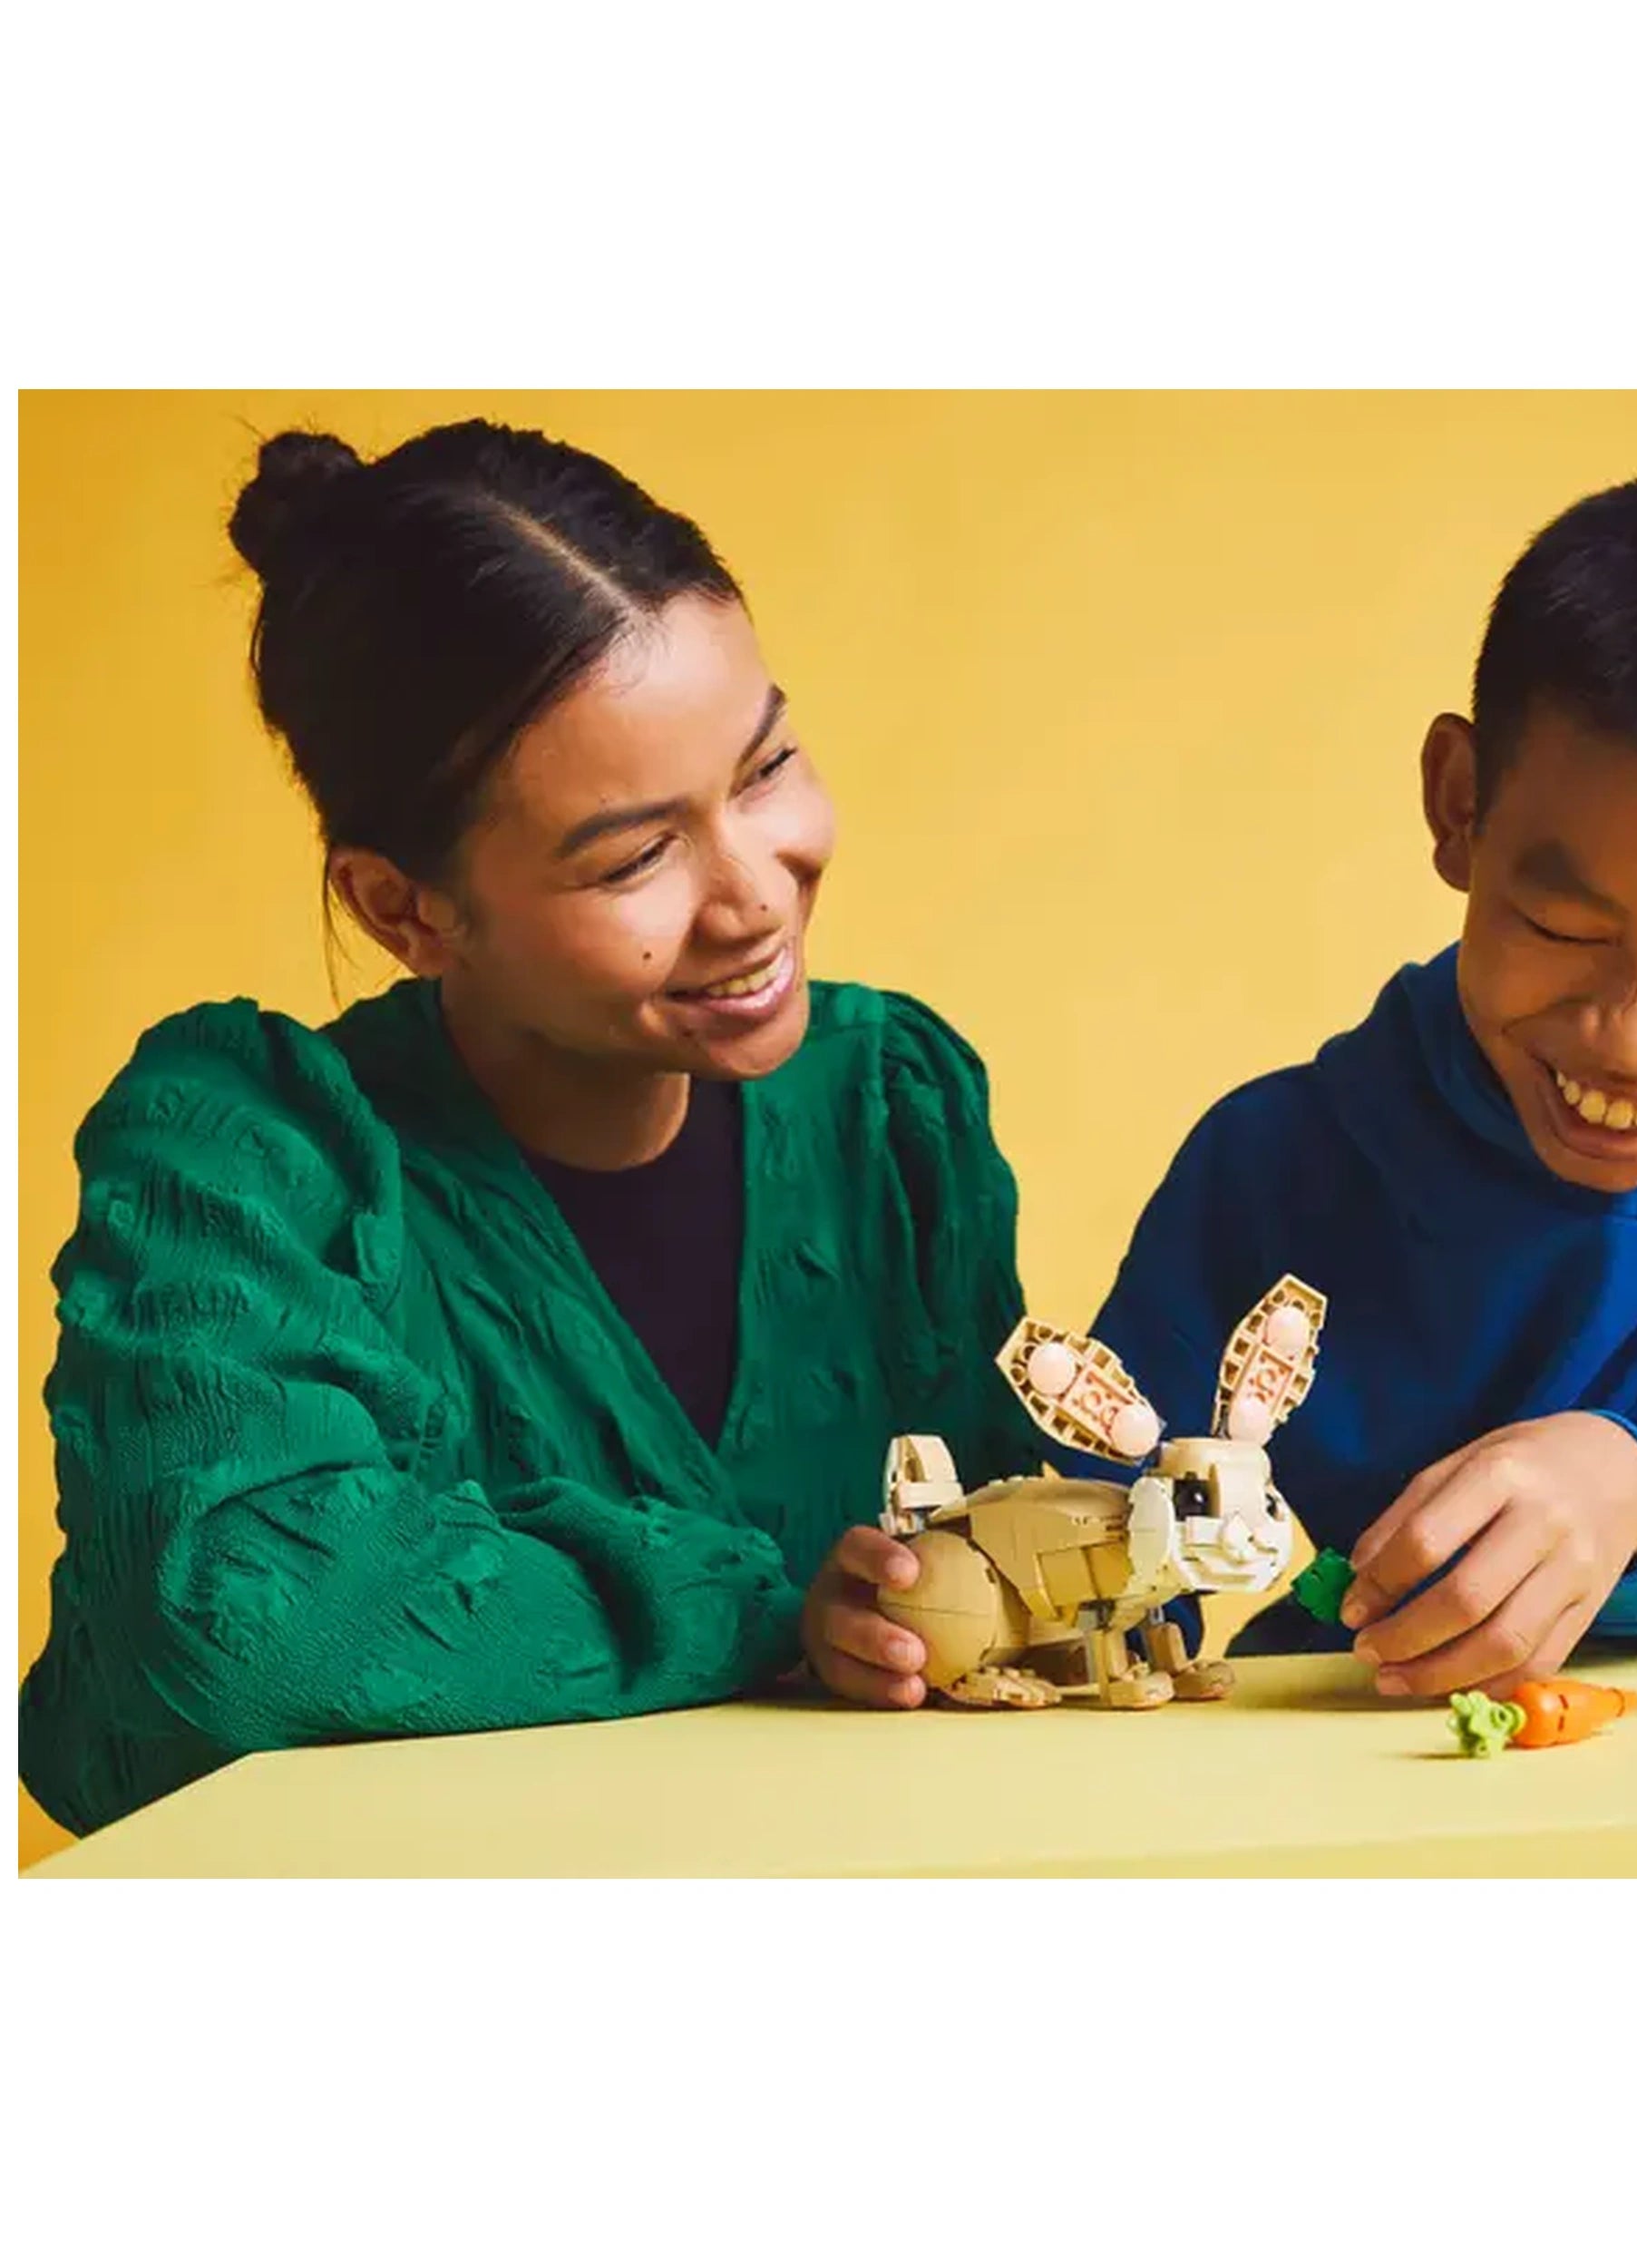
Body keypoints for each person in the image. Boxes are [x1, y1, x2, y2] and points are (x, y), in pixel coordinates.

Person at [19, 418, 1025, 1834]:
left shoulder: (892, 1107)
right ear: (404, 909)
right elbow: (226, 1625)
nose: (753, 895)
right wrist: (759, 1607)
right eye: (636, 855)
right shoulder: (247, 1157)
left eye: (765, 767)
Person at [1088, 460, 1637, 1697]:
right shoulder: (1273, 1168)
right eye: (1568, 930)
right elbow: (1099, 1540)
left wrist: (1628, 1481)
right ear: (1461, 807)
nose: (1635, 1039)